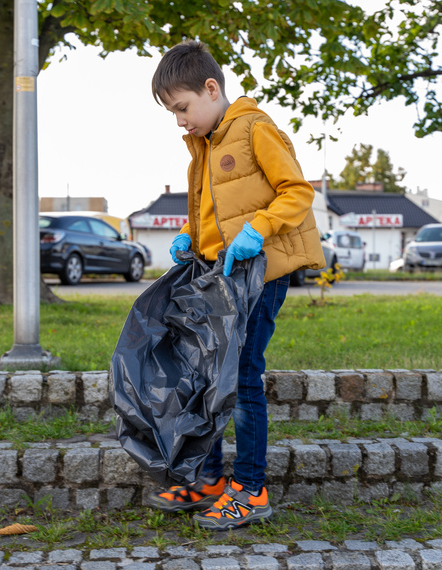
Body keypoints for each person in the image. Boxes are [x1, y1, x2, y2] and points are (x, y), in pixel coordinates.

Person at [147, 40, 325, 530]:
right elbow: (216, 213)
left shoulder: (254, 129)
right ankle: (210, 481)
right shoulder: (203, 147)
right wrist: (190, 237)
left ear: (211, 88)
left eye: (182, 108)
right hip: (218, 277)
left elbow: (298, 192)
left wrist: (258, 231)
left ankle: (252, 489)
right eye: (172, 113)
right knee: (208, 376)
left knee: (243, 377)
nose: (180, 121)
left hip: (260, 275)